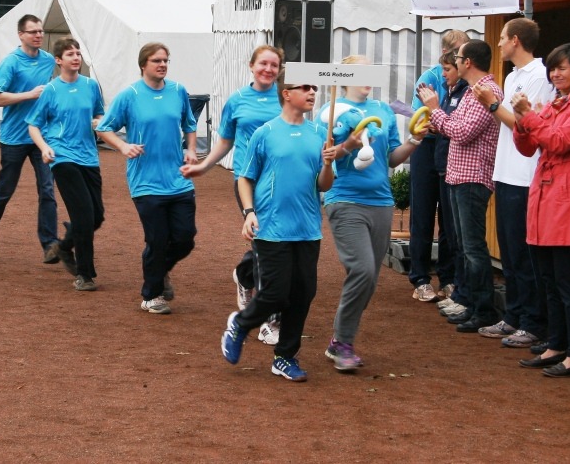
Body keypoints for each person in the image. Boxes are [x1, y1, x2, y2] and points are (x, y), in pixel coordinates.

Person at [221, 78, 336, 382]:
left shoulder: (319, 134)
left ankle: (284, 357)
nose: (312, 92)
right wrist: (248, 213)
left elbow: (324, 185)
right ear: (286, 93)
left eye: (314, 89)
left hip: (308, 228)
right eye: (305, 88)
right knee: (275, 293)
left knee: (303, 293)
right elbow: (245, 178)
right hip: (271, 227)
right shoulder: (266, 133)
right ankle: (241, 325)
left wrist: (327, 164)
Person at [318, 56, 426, 371]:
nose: (367, 77)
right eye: (360, 72)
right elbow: (326, 158)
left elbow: (392, 158)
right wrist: (349, 145)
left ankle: (339, 341)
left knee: (370, 279)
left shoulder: (382, 110)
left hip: (381, 202)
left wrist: (415, 139)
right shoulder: (331, 111)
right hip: (345, 200)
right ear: (345, 77)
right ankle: (343, 343)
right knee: (363, 271)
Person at [181, 45, 284, 343]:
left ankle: (244, 274)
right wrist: (203, 167)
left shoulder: (286, 97)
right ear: (251, 66)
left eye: (274, 65)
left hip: (281, 181)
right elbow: (225, 141)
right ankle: (269, 319)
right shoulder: (237, 100)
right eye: (263, 63)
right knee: (266, 242)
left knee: (274, 244)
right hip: (248, 180)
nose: (268, 69)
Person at [511, 44, 570, 378]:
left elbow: (559, 141)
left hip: (569, 192)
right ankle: (558, 343)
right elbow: (527, 146)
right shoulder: (555, 104)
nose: (555, 74)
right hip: (548, 193)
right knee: (549, 278)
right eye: (553, 68)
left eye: (562, 68)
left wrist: (529, 117)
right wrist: (522, 120)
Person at [96, 42, 198, 315]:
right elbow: (104, 127)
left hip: (178, 178)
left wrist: (190, 149)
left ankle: (159, 270)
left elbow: (189, 124)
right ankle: (151, 295)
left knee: (186, 238)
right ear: (143, 65)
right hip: (145, 182)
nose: (162, 65)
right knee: (157, 240)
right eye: (156, 60)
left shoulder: (178, 91)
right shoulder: (129, 96)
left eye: (165, 60)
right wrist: (123, 146)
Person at [472, 18, 552, 348]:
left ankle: (533, 321)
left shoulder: (539, 75)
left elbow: (524, 124)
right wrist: (492, 106)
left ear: (516, 40)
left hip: (524, 174)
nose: (500, 43)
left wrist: (491, 104)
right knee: (508, 251)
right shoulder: (512, 75)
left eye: (503, 38)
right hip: (505, 171)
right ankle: (515, 314)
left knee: (523, 254)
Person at [420, 39, 502, 332]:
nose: (454, 63)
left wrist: (434, 109)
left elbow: (463, 132)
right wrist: (438, 120)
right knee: (465, 246)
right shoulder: (471, 91)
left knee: (473, 247)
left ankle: (484, 309)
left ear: (468, 62)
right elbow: (454, 125)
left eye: (458, 59)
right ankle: (470, 302)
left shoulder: (486, 92)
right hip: (460, 176)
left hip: (473, 178)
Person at [0, 15, 61, 264]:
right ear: (21, 35)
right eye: (33, 31)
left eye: (40, 31)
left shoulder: (48, 60)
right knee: (5, 189)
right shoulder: (11, 62)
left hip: (41, 137)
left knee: (47, 189)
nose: (38, 35)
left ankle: (50, 244)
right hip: (14, 137)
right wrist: (29, 95)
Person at [27, 38, 106, 291]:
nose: (76, 58)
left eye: (78, 53)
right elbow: (33, 125)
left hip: (89, 157)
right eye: (70, 54)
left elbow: (99, 113)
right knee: (83, 216)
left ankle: (63, 246)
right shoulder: (51, 90)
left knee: (96, 217)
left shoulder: (91, 86)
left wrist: (99, 122)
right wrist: (44, 147)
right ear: (59, 60)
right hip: (62, 157)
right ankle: (85, 275)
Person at [408, 29, 470, 303]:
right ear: (445, 52)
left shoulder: (467, 82)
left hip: (451, 147)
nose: (463, 57)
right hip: (427, 147)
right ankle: (420, 278)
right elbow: (418, 117)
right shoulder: (430, 77)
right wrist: (439, 121)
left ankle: (448, 278)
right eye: (458, 52)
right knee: (422, 211)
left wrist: (442, 121)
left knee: (449, 215)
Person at [434, 50, 471, 316]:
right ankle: (456, 289)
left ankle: (463, 293)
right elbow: (449, 126)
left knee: (462, 239)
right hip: (445, 168)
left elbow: (458, 130)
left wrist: (435, 112)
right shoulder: (451, 91)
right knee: (449, 233)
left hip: (461, 172)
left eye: (448, 69)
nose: (444, 74)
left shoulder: (467, 92)